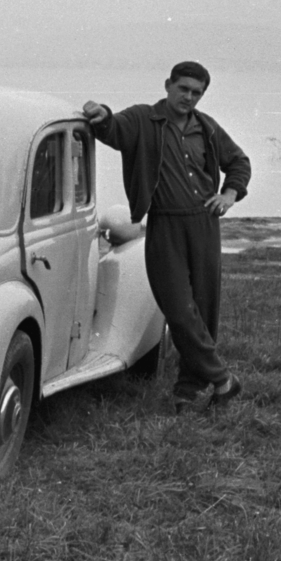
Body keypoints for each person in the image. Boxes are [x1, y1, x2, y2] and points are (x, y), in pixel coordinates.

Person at [83, 61, 250, 412]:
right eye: (183, 89)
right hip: (164, 224)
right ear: (168, 85)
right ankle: (222, 379)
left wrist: (229, 194)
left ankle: (187, 389)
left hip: (204, 224)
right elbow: (112, 130)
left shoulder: (206, 127)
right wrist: (99, 114)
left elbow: (239, 162)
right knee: (176, 307)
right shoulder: (143, 119)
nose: (189, 97)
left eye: (196, 92)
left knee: (203, 308)